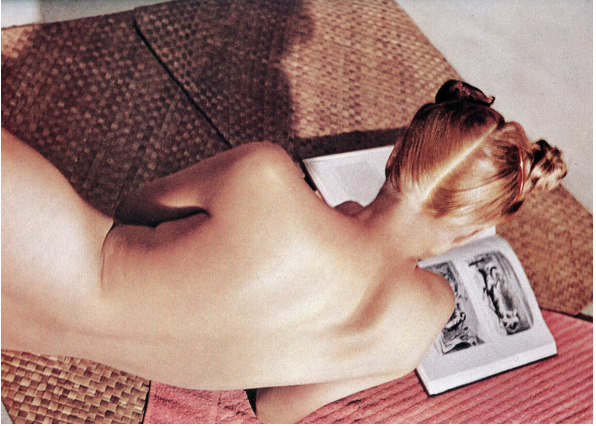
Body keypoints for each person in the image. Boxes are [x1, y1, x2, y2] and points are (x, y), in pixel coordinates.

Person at [2, 80, 567, 423]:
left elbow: (133, 210)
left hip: (48, 253)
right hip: (32, 334)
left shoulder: (267, 179)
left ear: (396, 154)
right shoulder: (418, 323)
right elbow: (273, 408)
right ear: (476, 230)